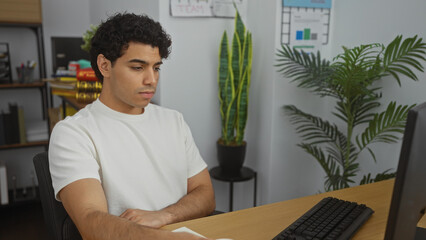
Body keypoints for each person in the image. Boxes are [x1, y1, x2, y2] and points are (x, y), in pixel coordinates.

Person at [49, 13, 216, 239]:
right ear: (104, 66)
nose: (152, 80)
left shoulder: (173, 120)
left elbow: (205, 194)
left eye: (156, 68)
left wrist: (164, 215)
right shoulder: (73, 133)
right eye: (138, 67)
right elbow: (90, 222)